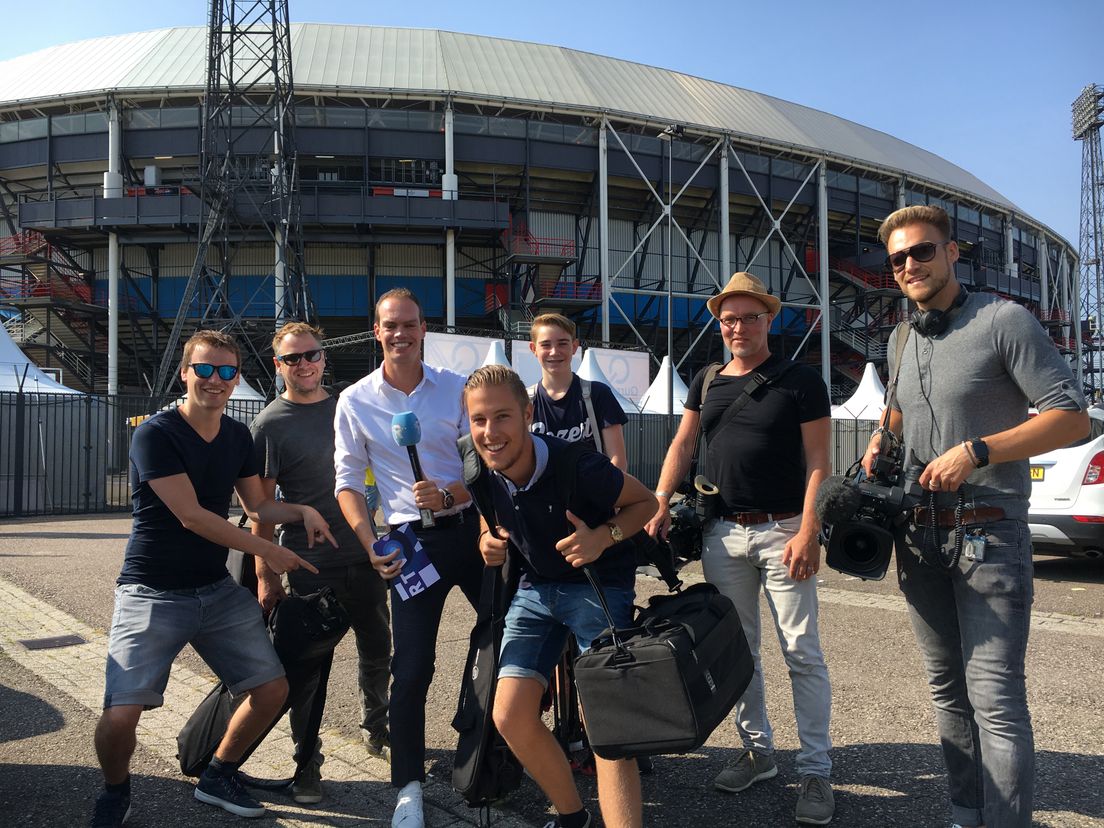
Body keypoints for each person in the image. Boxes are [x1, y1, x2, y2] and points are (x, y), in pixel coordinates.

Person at [862, 205, 1087, 828]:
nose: (910, 265)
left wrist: (979, 450)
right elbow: (901, 413)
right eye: (899, 259)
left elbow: (1072, 417)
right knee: (948, 696)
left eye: (923, 251)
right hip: (919, 534)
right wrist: (882, 439)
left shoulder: (1004, 320)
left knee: (995, 701)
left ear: (953, 252)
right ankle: (967, 814)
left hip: (989, 531)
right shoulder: (902, 338)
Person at [91, 330, 335, 828]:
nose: (215, 380)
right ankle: (116, 790)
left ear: (237, 377)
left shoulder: (236, 436)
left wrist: (302, 509)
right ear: (185, 373)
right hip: (151, 590)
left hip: (214, 590)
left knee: (271, 689)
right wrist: (269, 551)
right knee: (120, 715)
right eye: (204, 369)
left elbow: (257, 506)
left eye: (226, 371)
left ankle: (218, 775)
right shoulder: (156, 434)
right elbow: (193, 517)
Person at [646, 271, 835, 825]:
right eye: (728, 319)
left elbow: (819, 461)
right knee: (739, 651)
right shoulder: (706, 380)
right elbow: (683, 443)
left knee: (802, 653)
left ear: (768, 320)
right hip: (722, 533)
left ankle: (816, 771)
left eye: (749, 317)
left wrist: (808, 530)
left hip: (783, 531)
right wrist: (660, 498)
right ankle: (758, 752)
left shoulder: (800, 380)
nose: (737, 327)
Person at [465, 364, 657, 828]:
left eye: (503, 417)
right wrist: (486, 540)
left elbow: (646, 503)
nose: (490, 432)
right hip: (535, 590)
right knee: (509, 715)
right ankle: (573, 817)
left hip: (597, 586)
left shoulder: (581, 466)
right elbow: (486, 518)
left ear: (528, 413)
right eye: (479, 420)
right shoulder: (477, 464)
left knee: (605, 725)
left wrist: (602, 536)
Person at [333, 287, 484, 828]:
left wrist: (449, 495)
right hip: (408, 544)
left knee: (504, 634)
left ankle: (492, 744)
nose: (400, 334)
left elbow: (481, 468)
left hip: (466, 532)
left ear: (424, 330)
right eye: (389, 326)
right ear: (377, 331)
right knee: (413, 666)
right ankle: (409, 788)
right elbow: (348, 483)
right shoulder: (355, 400)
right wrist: (370, 542)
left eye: (409, 325)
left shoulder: (456, 389)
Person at [250, 321, 392, 805]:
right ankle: (306, 762)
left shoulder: (349, 405)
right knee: (308, 669)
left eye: (311, 355)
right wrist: (265, 577)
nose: (304, 364)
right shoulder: (270, 424)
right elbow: (260, 511)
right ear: (278, 365)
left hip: (365, 554)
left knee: (378, 648)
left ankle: (378, 727)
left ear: (324, 358)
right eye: (293, 358)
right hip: (310, 564)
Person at [529, 312, 628, 470]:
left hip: (591, 492)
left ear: (574, 347)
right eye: (546, 345)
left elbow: (618, 462)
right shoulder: (524, 402)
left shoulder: (598, 394)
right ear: (533, 349)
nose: (554, 351)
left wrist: (603, 493)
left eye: (562, 343)